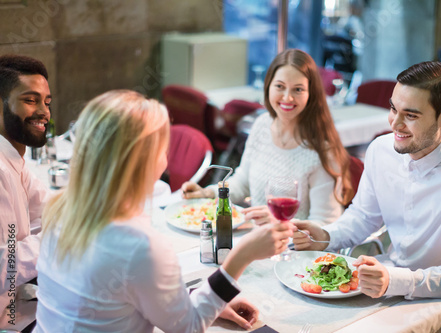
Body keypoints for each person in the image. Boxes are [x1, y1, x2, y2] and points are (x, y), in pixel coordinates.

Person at [34, 90, 293, 332]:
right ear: (142, 160)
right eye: (162, 148)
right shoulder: (140, 245)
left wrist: (204, 298)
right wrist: (242, 255)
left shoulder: (60, 207)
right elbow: (187, 326)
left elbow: (119, 293)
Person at [292, 61, 441, 306]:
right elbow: (363, 216)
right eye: (393, 109)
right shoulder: (380, 150)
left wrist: (395, 280)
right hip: (386, 281)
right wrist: (326, 235)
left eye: (410, 115)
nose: (394, 124)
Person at [182, 49, 354, 226]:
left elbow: (327, 224)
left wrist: (280, 223)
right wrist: (208, 193)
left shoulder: (321, 149)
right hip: (257, 240)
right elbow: (242, 183)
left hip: (295, 250)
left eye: (298, 89)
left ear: (311, 95)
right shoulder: (262, 125)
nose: (287, 97)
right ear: (268, 86)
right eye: (280, 86)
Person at [0, 54, 52, 330]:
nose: (44, 111)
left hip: (21, 305)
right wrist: (59, 234)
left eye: (47, 102)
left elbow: (48, 208)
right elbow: (5, 266)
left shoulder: (14, 160)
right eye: (30, 100)